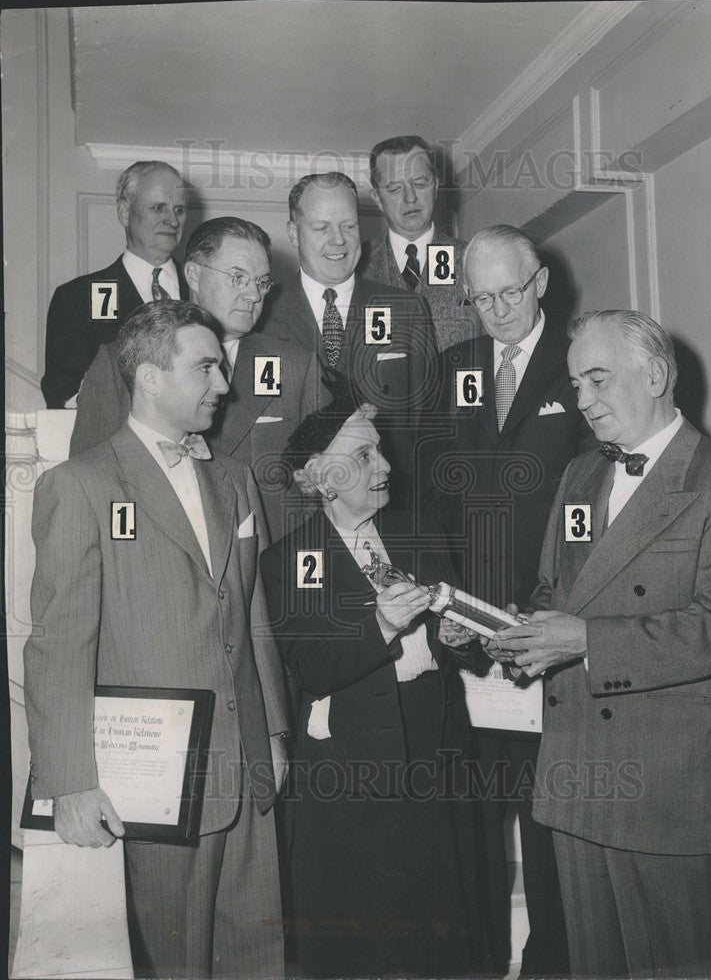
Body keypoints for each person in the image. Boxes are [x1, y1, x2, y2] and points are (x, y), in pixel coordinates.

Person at [485, 309, 711, 977]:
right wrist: (506, 629)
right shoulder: (579, 477)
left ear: (655, 375)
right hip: (575, 777)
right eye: (576, 384)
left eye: (597, 379)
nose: (582, 401)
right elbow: (553, 595)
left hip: (665, 790)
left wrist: (586, 639)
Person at [24, 300, 289, 979]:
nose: (223, 383)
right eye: (205, 366)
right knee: (171, 962)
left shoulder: (232, 479)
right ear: (148, 377)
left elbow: (251, 611)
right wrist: (69, 784)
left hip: (247, 768)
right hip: (153, 780)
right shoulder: (79, 487)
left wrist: (276, 735)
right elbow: (59, 645)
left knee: (256, 957)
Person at [260, 388, 490, 978]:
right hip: (351, 766)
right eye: (364, 456)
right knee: (365, 938)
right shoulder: (291, 560)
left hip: (436, 752)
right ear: (320, 478)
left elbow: (453, 639)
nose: (384, 465)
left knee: (443, 932)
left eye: (379, 450)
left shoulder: (422, 530)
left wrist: (463, 642)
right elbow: (312, 667)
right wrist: (384, 622)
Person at [421, 224, 587, 975]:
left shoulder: (582, 363)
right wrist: (447, 610)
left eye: (509, 292)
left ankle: (551, 964)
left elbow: (599, 509)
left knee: (551, 824)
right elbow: (430, 495)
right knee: (475, 827)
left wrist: (561, 613)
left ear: (540, 281)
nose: (496, 311)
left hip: (554, 640)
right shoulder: (457, 368)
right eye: (480, 298)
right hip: (470, 639)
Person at [69, 217, 324, 541]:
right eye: (238, 278)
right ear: (193, 274)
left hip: (265, 572)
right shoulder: (122, 359)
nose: (254, 296)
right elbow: (87, 485)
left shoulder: (295, 366)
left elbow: (323, 492)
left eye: (261, 283)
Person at [266, 171, 439, 504]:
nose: (338, 240)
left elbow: (428, 428)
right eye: (322, 228)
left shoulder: (407, 309)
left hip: (389, 509)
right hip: (295, 514)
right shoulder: (263, 314)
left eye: (348, 226)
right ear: (294, 233)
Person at [41, 161, 189, 408]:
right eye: (159, 208)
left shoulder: (207, 288)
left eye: (180, 210)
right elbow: (62, 392)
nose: (172, 221)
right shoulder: (77, 298)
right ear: (124, 212)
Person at [361, 135, 479, 350]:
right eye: (395, 188)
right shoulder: (357, 266)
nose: (410, 198)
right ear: (377, 198)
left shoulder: (473, 259)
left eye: (419, 183)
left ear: (435, 186)